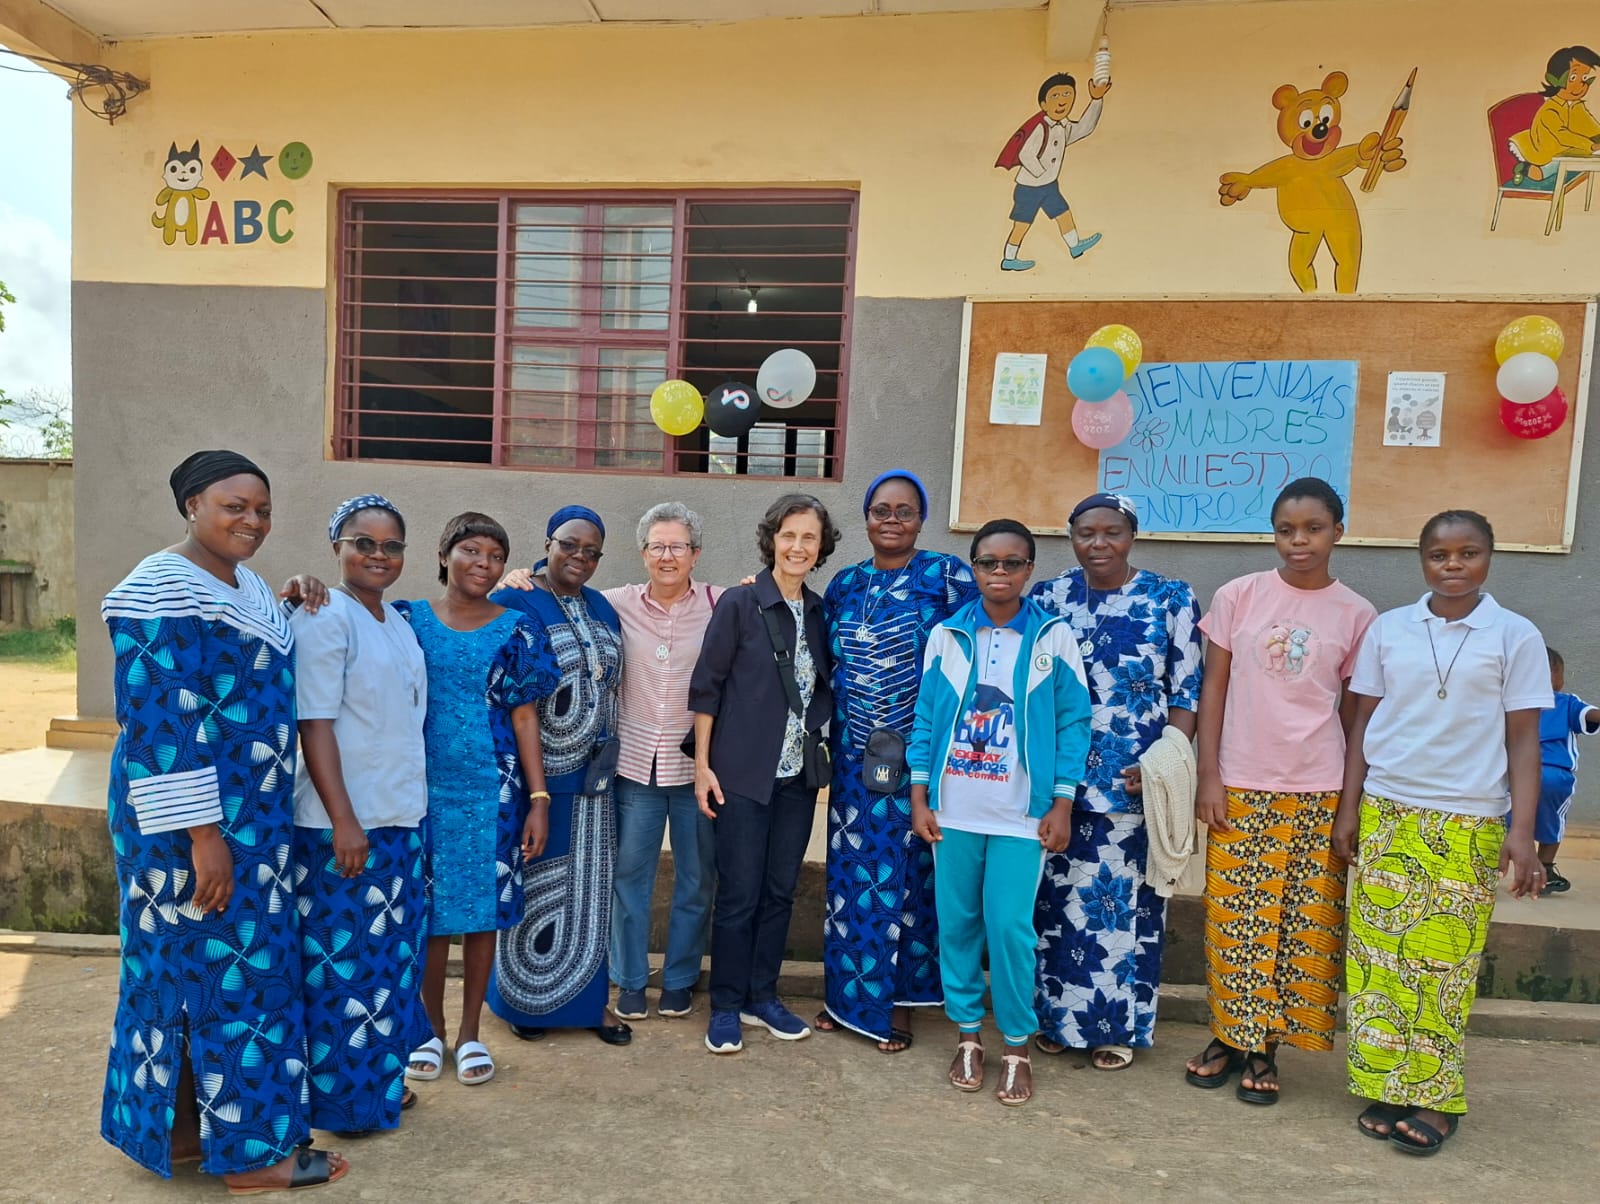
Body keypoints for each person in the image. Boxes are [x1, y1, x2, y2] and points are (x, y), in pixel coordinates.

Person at [101, 450, 347, 1192]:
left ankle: (181, 1133)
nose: (253, 521)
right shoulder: (159, 587)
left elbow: (243, 663)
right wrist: (203, 838)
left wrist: (294, 595)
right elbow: (161, 722)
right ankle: (254, 1159)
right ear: (192, 505)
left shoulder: (239, 584)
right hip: (193, 828)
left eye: (262, 510)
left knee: (190, 975)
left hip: (251, 823)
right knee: (231, 980)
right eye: (234, 507)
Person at [1333, 509, 1550, 1155]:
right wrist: (1349, 808)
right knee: (1378, 962)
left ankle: (1436, 1097)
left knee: (1443, 964)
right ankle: (1387, 1084)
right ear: (1422, 559)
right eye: (1439, 554)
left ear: (1489, 557)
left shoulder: (1515, 635)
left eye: (1468, 553)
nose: (1453, 565)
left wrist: (1522, 831)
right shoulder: (1389, 628)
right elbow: (1362, 724)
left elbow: (1524, 739)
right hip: (1388, 810)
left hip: (1468, 817)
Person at [1184, 477, 1377, 1105]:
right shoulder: (1238, 596)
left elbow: (1354, 716)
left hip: (1317, 787)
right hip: (1241, 781)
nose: (1299, 541)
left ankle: (1265, 1047)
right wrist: (1208, 774)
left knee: (1296, 924)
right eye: (1286, 529)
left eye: (1313, 529)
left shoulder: (1357, 614)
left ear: (1338, 532)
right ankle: (1228, 1035)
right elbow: (1214, 687)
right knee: (1234, 920)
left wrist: (1349, 804)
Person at [908, 519, 1091, 1107]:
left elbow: (1073, 722)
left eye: (1013, 563)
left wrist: (1062, 801)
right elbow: (926, 719)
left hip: (1020, 816)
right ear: (974, 568)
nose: (1000, 573)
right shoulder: (948, 635)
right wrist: (920, 796)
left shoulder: (1053, 637)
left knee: (1010, 928)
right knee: (957, 925)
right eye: (989, 562)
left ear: (1029, 570)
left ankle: (1016, 1045)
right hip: (954, 812)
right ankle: (968, 1037)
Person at [1029, 492, 1203, 1071]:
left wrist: (1164, 760)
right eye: (1086, 533)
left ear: (1132, 536)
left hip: (1132, 782)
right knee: (1054, 908)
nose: (1098, 544)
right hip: (1058, 781)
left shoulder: (1169, 598)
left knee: (1123, 910)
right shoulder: (1049, 597)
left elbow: (1186, 691)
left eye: (1112, 532)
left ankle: (1116, 1028)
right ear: (1071, 537)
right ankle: (1057, 1020)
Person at [813, 470, 976, 1052]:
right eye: (881, 509)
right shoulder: (845, 583)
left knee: (909, 882)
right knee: (851, 881)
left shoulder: (947, 577)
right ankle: (847, 998)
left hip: (921, 760)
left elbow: (976, 651)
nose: (892, 520)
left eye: (905, 511)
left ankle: (899, 1003)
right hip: (855, 761)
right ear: (866, 517)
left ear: (921, 519)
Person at [398, 512, 557, 1087]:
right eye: (471, 550)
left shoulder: (517, 629)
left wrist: (538, 798)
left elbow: (524, 716)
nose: (483, 564)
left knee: (482, 911)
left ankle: (470, 1034)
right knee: (431, 915)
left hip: (494, 792)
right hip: (418, 791)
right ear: (444, 555)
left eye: (495, 555)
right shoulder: (405, 620)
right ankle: (430, 1031)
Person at [290, 495, 428, 1137]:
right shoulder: (325, 616)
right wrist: (344, 820)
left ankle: (380, 1086)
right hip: (344, 826)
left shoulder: (394, 620)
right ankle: (344, 1106)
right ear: (337, 547)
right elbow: (314, 723)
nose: (378, 555)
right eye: (363, 543)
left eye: (391, 545)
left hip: (399, 816)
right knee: (344, 969)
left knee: (389, 966)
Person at [690, 494, 838, 1055]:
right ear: (772, 539)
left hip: (797, 778)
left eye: (809, 537)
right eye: (788, 535)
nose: (798, 546)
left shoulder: (820, 612)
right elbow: (706, 689)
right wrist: (703, 767)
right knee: (739, 894)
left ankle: (763, 995)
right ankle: (726, 1004)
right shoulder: (740, 602)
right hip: (740, 775)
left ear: (821, 546)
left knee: (780, 891)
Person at [487, 506, 631, 1045]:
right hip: (538, 777)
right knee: (536, 882)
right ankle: (527, 1003)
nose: (579, 557)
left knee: (591, 892)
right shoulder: (515, 600)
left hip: (596, 781)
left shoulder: (602, 606)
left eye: (591, 551)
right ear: (547, 543)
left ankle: (591, 1005)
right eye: (569, 544)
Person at [605, 504, 719, 1019]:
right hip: (636, 768)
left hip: (698, 770)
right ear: (643, 553)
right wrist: (524, 577)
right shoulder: (616, 603)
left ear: (695, 554)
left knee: (696, 880)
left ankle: (679, 978)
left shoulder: (721, 604)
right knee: (630, 878)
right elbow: (557, 595)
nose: (667, 556)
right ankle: (629, 979)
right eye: (657, 546)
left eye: (677, 546)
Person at [993, 71, 1110, 270]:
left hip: (1048, 186)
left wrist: (1096, 99)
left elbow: (1085, 128)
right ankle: (1009, 258)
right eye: (1055, 95)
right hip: (1029, 188)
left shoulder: (1063, 127)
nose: (1062, 100)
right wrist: (1041, 172)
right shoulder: (1040, 127)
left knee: (1063, 213)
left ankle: (1075, 246)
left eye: (1067, 94)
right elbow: (1025, 154)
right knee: (1022, 224)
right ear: (1044, 104)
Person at [1535, 647, 1598, 894]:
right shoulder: (1567, 702)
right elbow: (1591, 715)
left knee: (1505, 822)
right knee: (1553, 821)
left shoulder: (1512, 703)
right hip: (1555, 776)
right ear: (1554, 674)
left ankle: (1488, 869)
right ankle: (1545, 871)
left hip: (1514, 774)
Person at [1508, 46, 1600, 185]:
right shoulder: (1550, 110)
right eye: (1573, 77)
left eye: (1584, 78)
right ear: (1555, 79)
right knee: (1540, 174)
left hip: (1568, 149)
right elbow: (1562, 135)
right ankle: (1523, 168)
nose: (1580, 85)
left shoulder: (1576, 105)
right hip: (1547, 153)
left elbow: (1589, 125)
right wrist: (1591, 146)